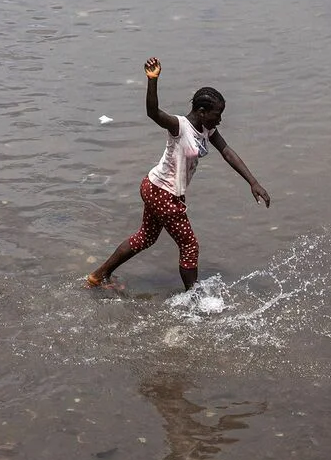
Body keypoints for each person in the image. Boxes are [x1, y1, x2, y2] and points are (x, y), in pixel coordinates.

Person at [85, 57, 269, 292]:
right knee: (190, 245)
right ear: (201, 112)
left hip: (156, 188)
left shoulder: (207, 129)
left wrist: (253, 182)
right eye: (217, 114)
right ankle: (193, 298)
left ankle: (97, 276)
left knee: (145, 238)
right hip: (163, 194)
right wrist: (153, 80)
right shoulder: (179, 127)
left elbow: (227, 152)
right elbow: (153, 112)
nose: (220, 120)